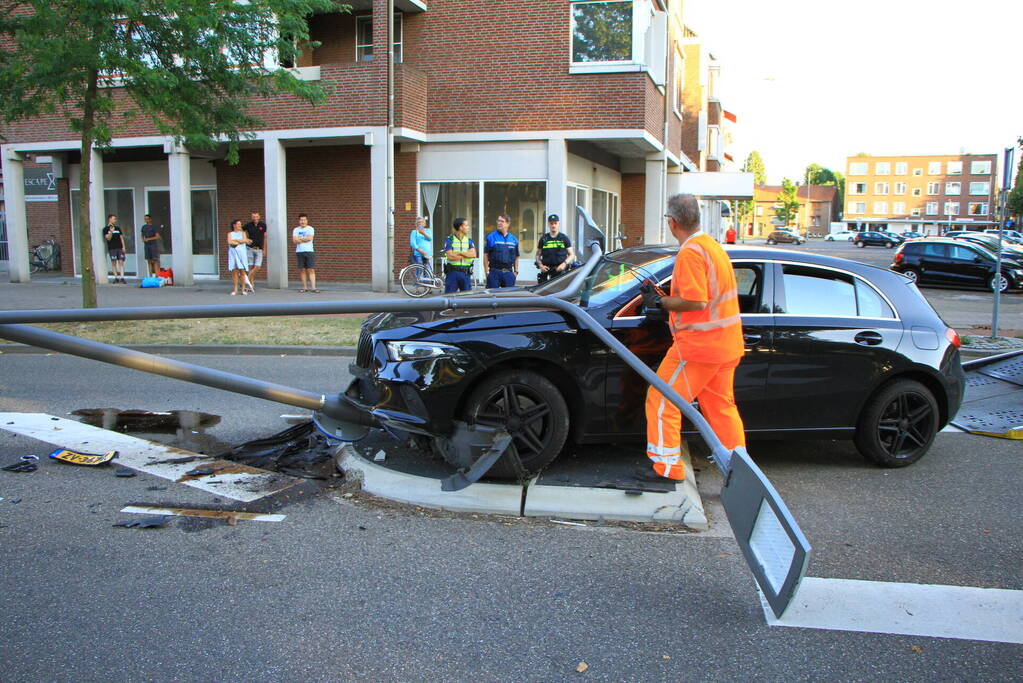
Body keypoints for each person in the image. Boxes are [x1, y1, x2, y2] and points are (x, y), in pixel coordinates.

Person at [641, 193, 745, 481]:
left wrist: (661, 302)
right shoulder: (712, 247)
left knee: (662, 399)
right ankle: (741, 471)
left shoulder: (690, 253)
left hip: (698, 348)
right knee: (721, 408)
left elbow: (696, 301)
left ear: (672, 223)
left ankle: (667, 468)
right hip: (726, 345)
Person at [536, 214, 575, 284]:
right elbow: (537, 255)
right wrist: (541, 266)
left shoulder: (564, 238)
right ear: (548, 224)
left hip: (560, 270)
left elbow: (572, 255)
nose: (553, 225)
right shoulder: (543, 239)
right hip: (546, 271)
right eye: (551, 223)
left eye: (555, 223)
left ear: (558, 224)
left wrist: (564, 264)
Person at [484, 213, 519, 288]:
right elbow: (486, 255)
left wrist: (516, 272)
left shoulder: (513, 240)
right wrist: (487, 272)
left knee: (508, 295)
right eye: (498, 221)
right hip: (494, 272)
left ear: (508, 223)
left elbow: (516, 257)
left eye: (502, 221)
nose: (499, 223)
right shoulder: (491, 237)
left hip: (508, 273)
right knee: (492, 294)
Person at [442, 217, 476, 293]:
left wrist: (459, 252)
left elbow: (473, 254)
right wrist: (466, 254)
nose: (468, 227)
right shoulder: (449, 240)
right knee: (449, 297)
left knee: (466, 297)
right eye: (466, 225)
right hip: (452, 273)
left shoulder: (469, 241)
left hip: (465, 273)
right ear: (460, 227)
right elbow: (450, 256)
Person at [292, 213, 318, 293]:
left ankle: (313, 288)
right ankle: (305, 287)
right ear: (299, 221)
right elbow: (294, 240)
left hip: (309, 251)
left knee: (311, 269)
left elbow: (309, 238)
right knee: (302, 270)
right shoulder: (296, 230)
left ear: (307, 220)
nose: (302, 221)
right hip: (299, 251)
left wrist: (299, 239)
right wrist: (303, 239)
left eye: (304, 220)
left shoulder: (310, 229)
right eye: (301, 220)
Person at [226, 219, 251, 296]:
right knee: (235, 272)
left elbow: (245, 240)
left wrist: (236, 240)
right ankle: (235, 289)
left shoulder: (243, 233)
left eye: (240, 224)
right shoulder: (230, 234)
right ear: (234, 225)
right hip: (233, 254)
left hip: (242, 254)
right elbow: (230, 242)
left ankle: (243, 289)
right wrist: (241, 241)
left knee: (242, 272)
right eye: (238, 224)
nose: (240, 225)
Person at [243, 211, 267, 290]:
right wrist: (246, 239)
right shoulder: (248, 225)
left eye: (256, 216)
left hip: (259, 249)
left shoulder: (263, 225)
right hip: (250, 248)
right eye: (253, 217)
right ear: (251, 217)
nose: (255, 218)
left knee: (257, 267)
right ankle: (251, 285)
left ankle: (246, 280)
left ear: (259, 217)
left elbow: (265, 237)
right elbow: (241, 230)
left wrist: (264, 249)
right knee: (251, 267)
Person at [103, 214, 127, 284]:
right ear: (109, 219)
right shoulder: (105, 229)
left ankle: (122, 277)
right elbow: (108, 238)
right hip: (112, 248)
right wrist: (111, 231)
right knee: (114, 263)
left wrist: (123, 247)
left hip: (119, 247)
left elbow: (121, 238)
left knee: (121, 262)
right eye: (114, 219)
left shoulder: (118, 228)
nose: (115, 220)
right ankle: (116, 278)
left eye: (115, 219)